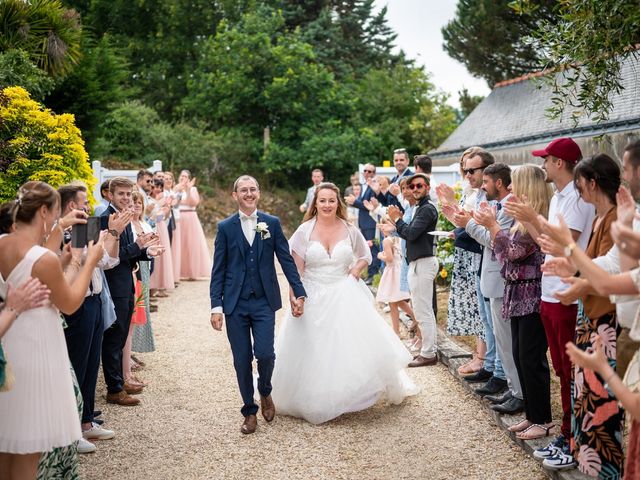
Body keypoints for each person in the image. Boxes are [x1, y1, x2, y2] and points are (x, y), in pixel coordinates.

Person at [271, 183, 418, 424]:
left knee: (345, 345)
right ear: (315, 204)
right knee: (312, 347)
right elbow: (295, 269)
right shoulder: (304, 231)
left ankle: (348, 394)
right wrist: (295, 296)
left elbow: (365, 256)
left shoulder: (350, 230)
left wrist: (355, 272)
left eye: (331, 200)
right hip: (312, 293)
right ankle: (314, 395)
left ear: (337, 203)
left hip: (343, 292)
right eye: (322, 200)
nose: (327, 205)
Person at [0, 181, 103, 479]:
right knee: (28, 447)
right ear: (44, 211)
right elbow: (69, 303)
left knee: (8, 442)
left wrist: (63, 256)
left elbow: (33, 266)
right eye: (56, 213)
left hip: (9, 344)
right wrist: (86, 262)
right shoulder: (42, 258)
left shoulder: (4, 243)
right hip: (36, 350)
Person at [538, 154, 623, 476]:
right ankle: (583, 455)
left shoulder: (615, 219)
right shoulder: (603, 217)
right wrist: (571, 272)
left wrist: (575, 277)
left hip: (607, 318)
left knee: (600, 398)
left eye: (581, 183)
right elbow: (592, 265)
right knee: (584, 391)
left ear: (591, 182)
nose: (578, 190)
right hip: (591, 312)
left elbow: (609, 269)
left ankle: (603, 465)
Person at [209, 175, 307, 435]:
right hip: (235, 303)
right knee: (241, 360)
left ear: (259, 193)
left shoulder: (271, 224)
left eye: (253, 189)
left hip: (264, 300)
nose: (249, 194)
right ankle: (249, 411)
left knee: (265, 353)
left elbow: (286, 261)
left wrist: (299, 292)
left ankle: (265, 390)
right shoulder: (225, 227)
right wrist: (215, 306)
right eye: (244, 190)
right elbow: (218, 270)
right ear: (235, 195)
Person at [473, 165, 554, 439]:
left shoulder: (537, 218)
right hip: (517, 291)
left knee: (532, 358)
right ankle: (533, 415)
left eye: (517, 184)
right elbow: (504, 254)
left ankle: (543, 419)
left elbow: (514, 252)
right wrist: (495, 229)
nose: (512, 190)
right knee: (521, 355)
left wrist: (493, 226)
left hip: (531, 293)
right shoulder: (522, 218)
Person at [100, 177, 162, 407]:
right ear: (110, 195)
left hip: (126, 282)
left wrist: (147, 250)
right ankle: (114, 389)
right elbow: (113, 258)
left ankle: (120, 381)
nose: (126, 198)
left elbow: (129, 253)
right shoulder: (109, 218)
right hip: (114, 284)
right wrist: (139, 246)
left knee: (123, 332)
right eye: (121, 194)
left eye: (128, 194)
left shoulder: (124, 215)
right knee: (114, 337)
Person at [438, 147, 485, 375]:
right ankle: (480, 356)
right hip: (466, 252)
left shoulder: (480, 195)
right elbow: (462, 223)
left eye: (470, 169)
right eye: (463, 168)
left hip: (477, 253)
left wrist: (452, 206)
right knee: (478, 310)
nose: (466, 174)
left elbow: (471, 224)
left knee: (480, 309)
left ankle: (482, 358)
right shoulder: (470, 192)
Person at [388, 173, 439, 367]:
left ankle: (428, 352)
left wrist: (397, 220)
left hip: (424, 262)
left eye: (419, 186)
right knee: (420, 309)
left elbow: (410, 233)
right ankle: (427, 350)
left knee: (423, 310)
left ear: (427, 187)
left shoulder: (427, 209)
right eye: (412, 186)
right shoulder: (419, 207)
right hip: (417, 262)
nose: (415, 189)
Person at [345, 164, 381, 284]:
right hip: (363, 222)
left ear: (374, 173)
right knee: (366, 248)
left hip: (371, 222)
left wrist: (355, 202)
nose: (367, 173)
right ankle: (369, 274)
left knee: (372, 249)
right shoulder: (363, 186)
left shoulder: (374, 187)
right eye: (365, 171)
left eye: (370, 171)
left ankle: (372, 274)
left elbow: (368, 206)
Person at [376, 232, 414, 336]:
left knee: (393, 302)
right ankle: (399, 329)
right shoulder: (399, 238)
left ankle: (397, 331)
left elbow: (389, 258)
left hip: (393, 272)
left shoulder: (387, 240)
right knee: (397, 300)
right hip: (400, 269)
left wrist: (380, 256)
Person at [175, 170, 211, 280]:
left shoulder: (193, 189)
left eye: (185, 176)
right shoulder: (175, 188)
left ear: (189, 179)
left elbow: (193, 203)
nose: (183, 178)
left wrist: (188, 190)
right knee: (179, 245)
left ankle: (192, 272)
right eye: (181, 176)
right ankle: (178, 272)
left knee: (191, 245)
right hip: (178, 217)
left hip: (190, 217)